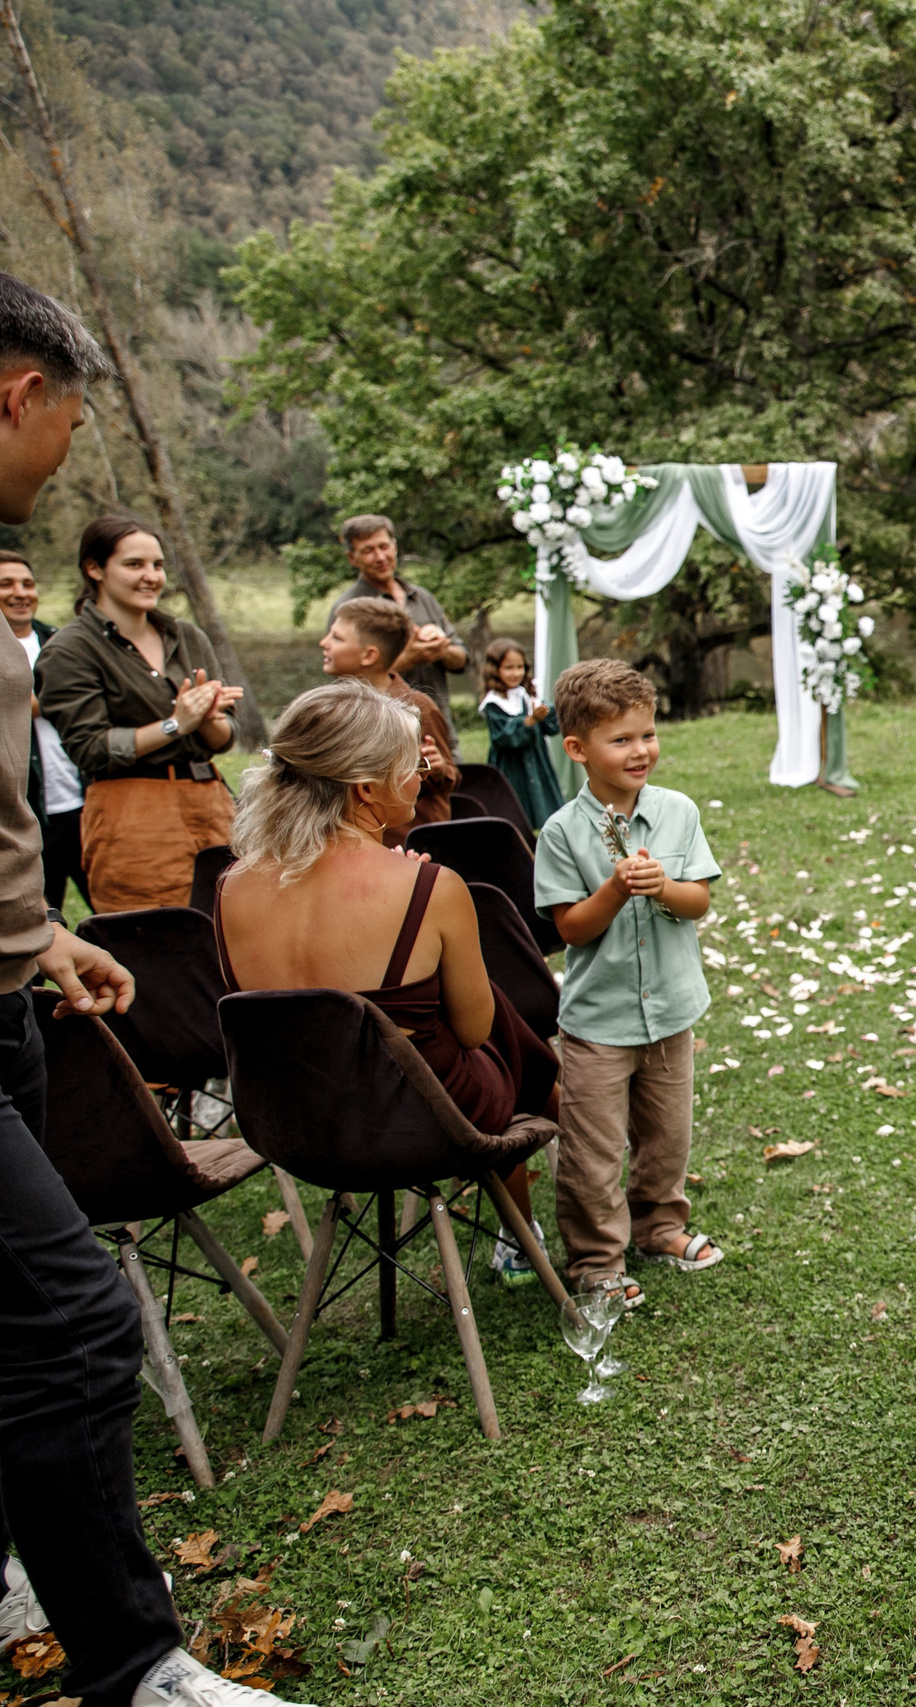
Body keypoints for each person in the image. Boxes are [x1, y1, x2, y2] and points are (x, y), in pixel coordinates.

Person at [0, 273, 292, 1707]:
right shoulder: (65, 647)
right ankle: (128, 1663)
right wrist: (167, 727)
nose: (63, 455)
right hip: (99, 857)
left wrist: (34, 939)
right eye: (66, 419)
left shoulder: (157, 634)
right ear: (21, 394)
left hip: (70, 919)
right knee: (74, 1318)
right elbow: (63, 761)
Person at [213, 679, 557, 1140]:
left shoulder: (230, 886)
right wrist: (408, 890)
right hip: (422, 1119)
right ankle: (567, 1118)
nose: (420, 775)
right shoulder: (431, 888)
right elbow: (474, 1032)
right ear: (367, 788)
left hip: (298, 1119)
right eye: (411, 763)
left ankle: (563, 1111)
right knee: (499, 1025)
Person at [534, 660, 724, 1296]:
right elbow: (571, 929)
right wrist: (615, 890)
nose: (641, 750)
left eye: (647, 733)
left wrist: (664, 886)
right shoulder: (561, 833)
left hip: (670, 1010)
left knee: (667, 1137)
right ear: (577, 749)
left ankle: (659, 1225)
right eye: (621, 739)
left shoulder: (678, 812)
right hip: (599, 1023)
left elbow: (698, 900)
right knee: (591, 1153)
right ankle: (595, 1262)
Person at [35, 517, 242, 913]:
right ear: (95, 569)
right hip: (133, 814)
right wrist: (175, 724)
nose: (151, 576)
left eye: (158, 565)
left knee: (231, 930)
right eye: (134, 565)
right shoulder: (70, 650)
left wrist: (211, 720)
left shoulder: (186, 636)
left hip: (211, 803)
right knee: (159, 944)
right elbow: (89, 748)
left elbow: (226, 735)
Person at [318, 596, 459, 827]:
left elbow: (447, 781)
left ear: (369, 655)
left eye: (337, 638)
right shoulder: (334, 710)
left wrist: (436, 768)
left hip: (407, 844)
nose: (324, 642)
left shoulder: (418, 708)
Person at [0, 552, 85, 909]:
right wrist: (54, 700)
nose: (20, 593)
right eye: (6, 584)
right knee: (44, 924)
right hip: (29, 814)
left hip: (83, 805)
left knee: (121, 916)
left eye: (28, 584)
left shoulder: (63, 643)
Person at [329, 514, 467, 706]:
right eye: (368, 550)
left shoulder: (422, 597)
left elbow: (462, 659)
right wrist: (408, 658)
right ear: (352, 558)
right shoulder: (347, 609)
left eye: (384, 547)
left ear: (394, 547)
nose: (380, 557)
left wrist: (440, 649)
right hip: (382, 730)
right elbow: (347, 689)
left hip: (437, 724)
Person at [478, 637, 566, 827]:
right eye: (509, 668)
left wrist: (547, 714)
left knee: (541, 803)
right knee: (515, 806)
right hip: (511, 766)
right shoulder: (494, 703)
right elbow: (503, 737)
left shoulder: (526, 695)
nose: (516, 673)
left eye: (520, 667)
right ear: (495, 669)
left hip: (535, 760)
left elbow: (550, 725)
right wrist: (530, 720)